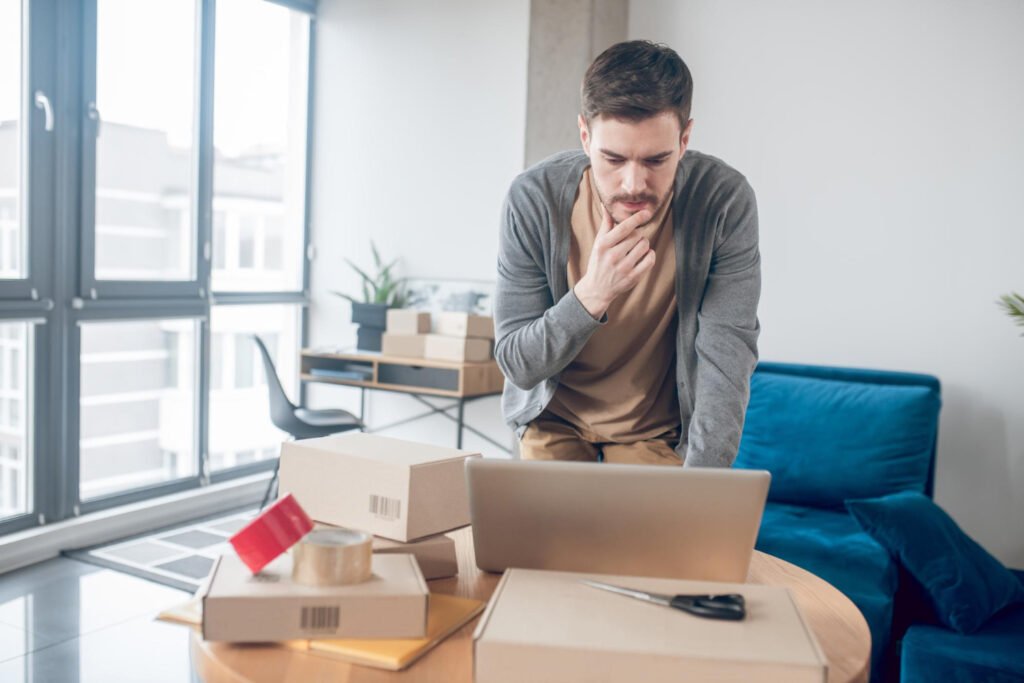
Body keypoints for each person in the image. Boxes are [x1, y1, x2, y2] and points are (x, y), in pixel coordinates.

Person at [493, 40, 760, 468]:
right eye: (613, 158)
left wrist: (705, 488)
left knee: (658, 537)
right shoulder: (534, 198)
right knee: (545, 535)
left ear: (685, 138)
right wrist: (592, 295)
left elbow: (726, 359)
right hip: (554, 420)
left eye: (656, 159)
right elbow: (518, 365)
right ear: (585, 135)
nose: (634, 183)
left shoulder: (723, 201)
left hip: (653, 432)